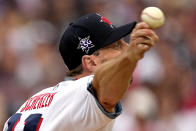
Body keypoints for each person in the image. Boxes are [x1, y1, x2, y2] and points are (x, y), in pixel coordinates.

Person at [3, 13, 158, 131]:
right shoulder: (84, 93)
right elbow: (105, 93)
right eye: (117, 46)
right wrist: (131, 55)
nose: (126, 48)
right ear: (90, 62)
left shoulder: (35, 100)